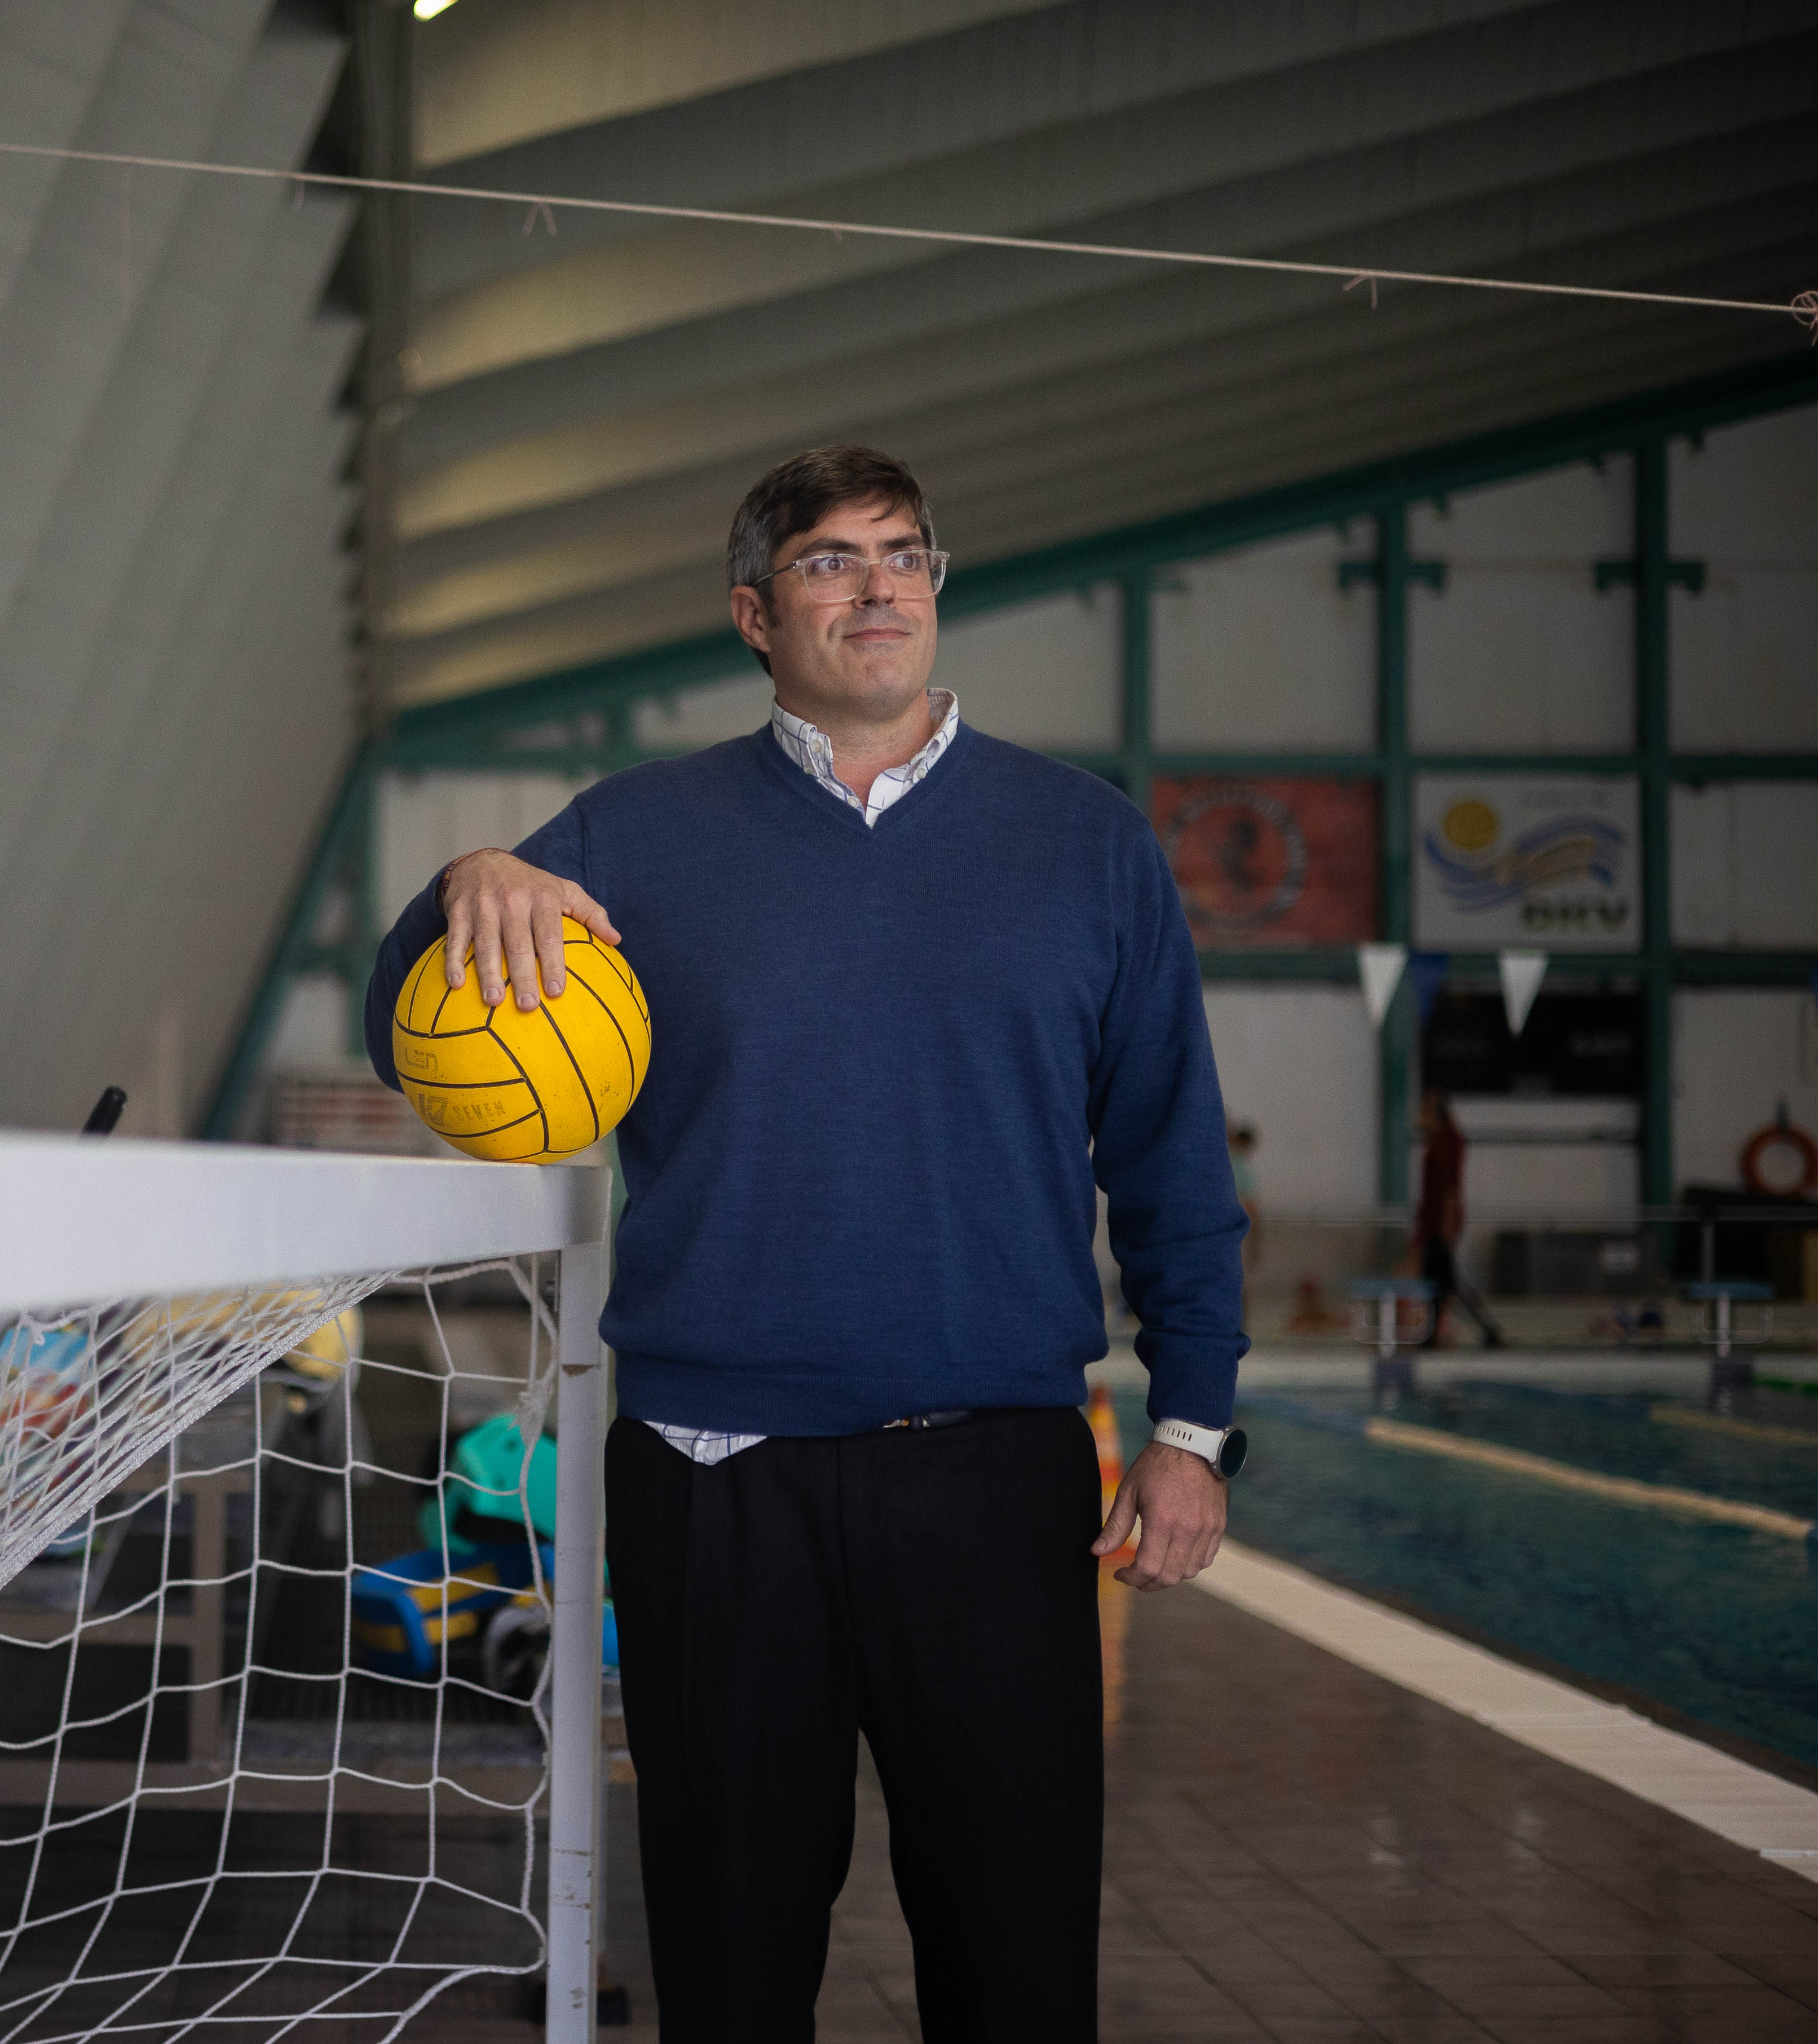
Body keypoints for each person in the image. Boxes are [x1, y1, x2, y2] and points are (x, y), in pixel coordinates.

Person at [365, 446, 1247, 2042]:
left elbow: (1169, 1153)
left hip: (988, 1475)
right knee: (728, 1957)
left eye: (903, 554)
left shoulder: (1085, 844)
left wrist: (1190, 1428)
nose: (879, 586)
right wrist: (465, 885)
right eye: (831, 562)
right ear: (753, 614)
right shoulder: (629, 840)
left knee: (1017, 1956)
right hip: (716, 1481)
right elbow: (401, 1014)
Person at [1414, 1086, 1505, 1348]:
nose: (1419, 1118)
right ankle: (1438, 1335)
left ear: (1435, 1114)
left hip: (1440, 1225)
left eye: (1424, 1112)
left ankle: (1477, 1331)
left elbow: (1449, 1192)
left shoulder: (1444, 1146)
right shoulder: (1444, 1142)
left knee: (1444, 1284)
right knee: (1441, 1284)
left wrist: (1445, 1229)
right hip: (1437, 1224)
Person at [1230, 1121, 1265, 1319]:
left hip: (1228, 1230)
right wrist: (1256, 1240)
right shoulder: (1239, 1168)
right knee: (1239, 1279)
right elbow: (1251, 1207)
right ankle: (1239, 1318)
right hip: (1236, 1231)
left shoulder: (1224, 1161)